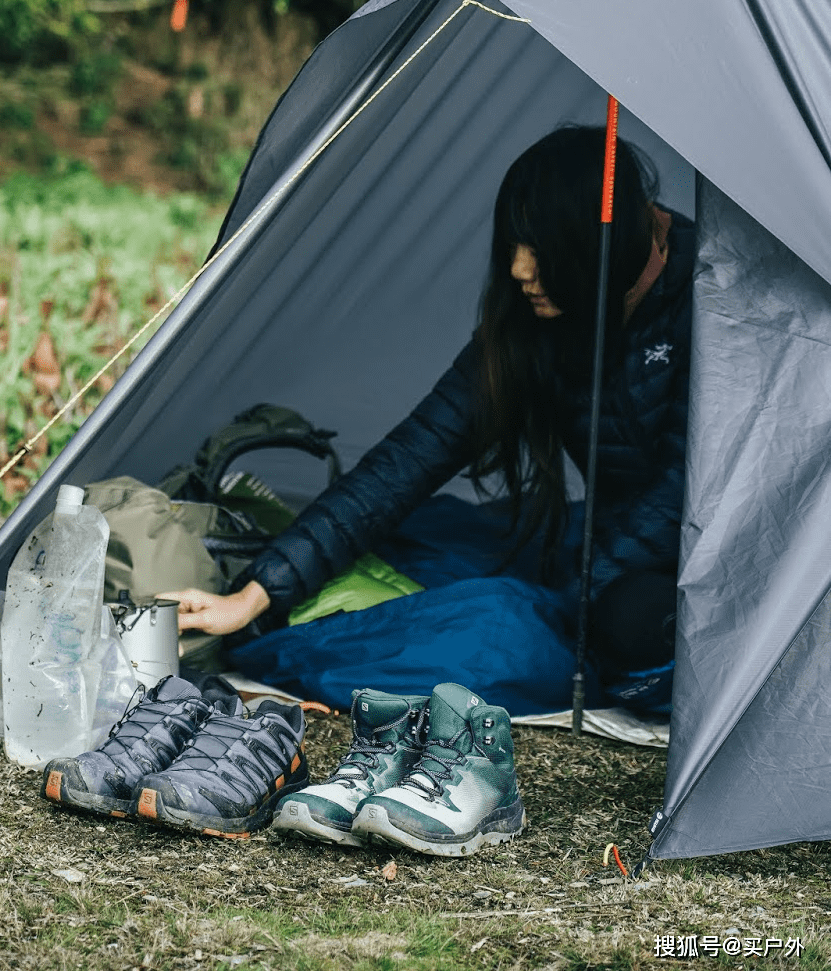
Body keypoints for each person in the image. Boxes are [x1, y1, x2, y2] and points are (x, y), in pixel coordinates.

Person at [169, 125, 692, 714]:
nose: (519, 270)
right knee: (425, 534)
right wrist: (253, 596)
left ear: (597, 245)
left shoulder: (714, 300)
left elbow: (685, 494)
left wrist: (579, 600)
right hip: (603, 537)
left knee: (627, 625)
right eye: (514, 244)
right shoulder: (535, 320)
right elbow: (407, 462)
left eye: (541, 248)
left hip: (695, 563)